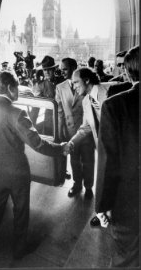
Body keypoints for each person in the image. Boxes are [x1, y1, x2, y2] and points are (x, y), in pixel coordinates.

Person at [0, 70, 68, 267]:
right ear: (10, 88)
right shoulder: (17, 114)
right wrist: (61, 149)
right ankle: (19, 250)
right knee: (21, 211)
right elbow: (38, 144)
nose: (18, 91)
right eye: (16, 87)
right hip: (18, 173)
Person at [95, 45, 139, 267]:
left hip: (128, 203)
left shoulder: (114, 106)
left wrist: (101, 206)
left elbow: (107, 164)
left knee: (125, 259)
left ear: (129, 73)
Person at [64, 68, 114, 225]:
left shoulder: (111, 90)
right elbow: (85, 127)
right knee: (106, 181)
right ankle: (105, 214)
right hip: (104, 148)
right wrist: (71, 143)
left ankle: (110, 216)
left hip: (120, 147)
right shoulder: (86, 101)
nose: (74, 87)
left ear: (87, 80)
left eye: (76, 82)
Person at [55, 59, 95, 198]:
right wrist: (60, 131)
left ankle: (88, 187)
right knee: (74, 160)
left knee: (88, 160)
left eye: (65, 69)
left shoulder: (84, 84)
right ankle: (77, 184)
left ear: (74, 68)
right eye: (61, 69)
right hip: (70, 130)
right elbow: (60, 111)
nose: (62, 72)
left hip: (86, 129)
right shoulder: (60, 87)